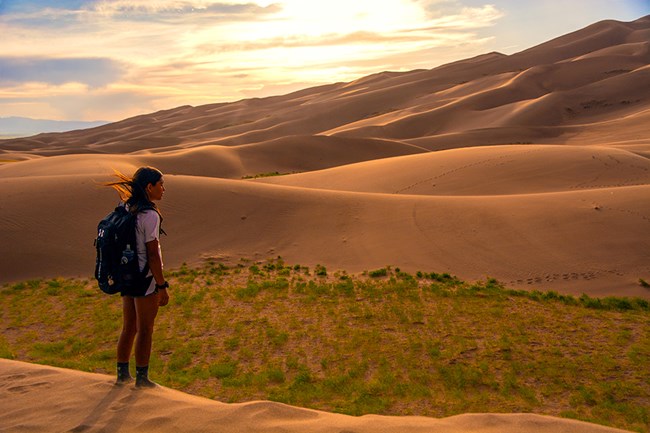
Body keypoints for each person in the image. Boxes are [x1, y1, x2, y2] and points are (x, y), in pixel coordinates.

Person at [105, 166, 169, 388]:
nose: (163, 189)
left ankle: (122, 374)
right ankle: (142, 378)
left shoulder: (126, 207)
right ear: (149, 187)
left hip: (126, 275)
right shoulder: (149, 215)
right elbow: (153, 254)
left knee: (129, 327)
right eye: (161, 184)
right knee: (145, 329)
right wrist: (162, 285)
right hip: (144, 279)